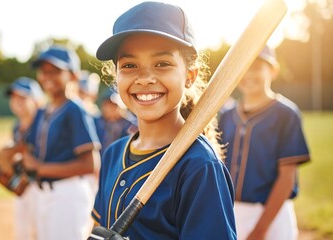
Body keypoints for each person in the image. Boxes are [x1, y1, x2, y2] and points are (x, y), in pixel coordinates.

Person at [90, 2, 236, 239]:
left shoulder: (199, 166)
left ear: (189, 76)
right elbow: (98, 226)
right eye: (129, 65)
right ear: (115, 76)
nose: (145, 78)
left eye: (162, 64)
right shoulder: (113, 153)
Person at [218, 46, 311, 240]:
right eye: (244, 67)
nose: (249, 74)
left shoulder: (286, 114)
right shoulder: (226, 116)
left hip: (271, 214)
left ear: (273, 70)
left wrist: (260, 229)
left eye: (257, 67)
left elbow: (287, 178)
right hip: (230, 210)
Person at [22, 46, 101, 240]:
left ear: (73, 76)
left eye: (56, 71)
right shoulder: (43, 111)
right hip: (44, 193)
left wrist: (40, 168)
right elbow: (30, 147)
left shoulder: (75, 109)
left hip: (68, 194)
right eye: (44, 71)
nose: (47, 76)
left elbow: (90, 164)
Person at [5, 76, 44, 240]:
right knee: (23, 232)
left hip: (45, 187)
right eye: (14, 97)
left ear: (36, 100)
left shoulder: (44, 121)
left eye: (23, 97)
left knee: (43, 231)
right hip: (24, 185)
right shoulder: (16, 127)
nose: (17, 102)